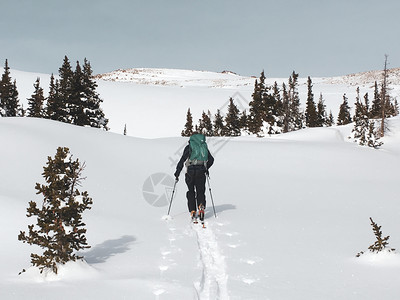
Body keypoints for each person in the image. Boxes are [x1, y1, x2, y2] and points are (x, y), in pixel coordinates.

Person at [174, 133, 214, 222]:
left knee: (191, 191)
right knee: (201, 191)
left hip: (190, 173)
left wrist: (177, 173)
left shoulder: (189, 147)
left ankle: (192, 210)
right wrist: (205, 168)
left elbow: (182, 160)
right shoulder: (203, 147)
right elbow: (211, 160)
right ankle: (201, 206)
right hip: (201, 172)